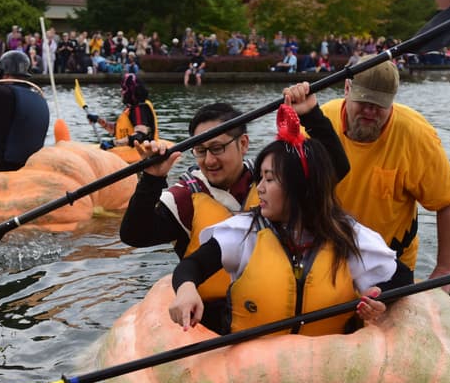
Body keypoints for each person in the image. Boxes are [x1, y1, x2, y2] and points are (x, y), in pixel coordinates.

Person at [122, 83, 350, 332]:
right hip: (214, 322)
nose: (209, 160)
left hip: (278, 306)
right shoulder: (185, 198)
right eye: (200, 151)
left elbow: (335, 168)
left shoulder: (273, 178)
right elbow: (135, 234)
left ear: (243, 144)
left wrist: (310, 114)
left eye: (218, 148)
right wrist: (152, 180)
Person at [167, 103, 394, 336]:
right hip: (253, 361)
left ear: (299, 186)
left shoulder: (345, 235)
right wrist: (186, 288)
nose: (260, 188)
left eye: (269, 179)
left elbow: (398, 276)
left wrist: (378, 295)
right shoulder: (245, 231)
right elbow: (191, 266)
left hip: (327, 359)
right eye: (260, 178)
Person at [321, 59, 450, 289]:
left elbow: (449, 202)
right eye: (364, 101)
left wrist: (445, 269)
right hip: (327, 256)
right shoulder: (320, 123)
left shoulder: (416, 135)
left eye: (379, 105)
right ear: (347, 89)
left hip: (389, 264)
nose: (370, 111)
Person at [93, 74, 157, 148]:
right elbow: (116, 131)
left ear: (132, 90)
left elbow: (140, 136)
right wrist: (98, 120)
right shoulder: (131, 109)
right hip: (125, 152)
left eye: (124, 89)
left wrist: (113, 143)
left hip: (136, 154)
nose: (122, 92)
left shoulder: (139, 109)